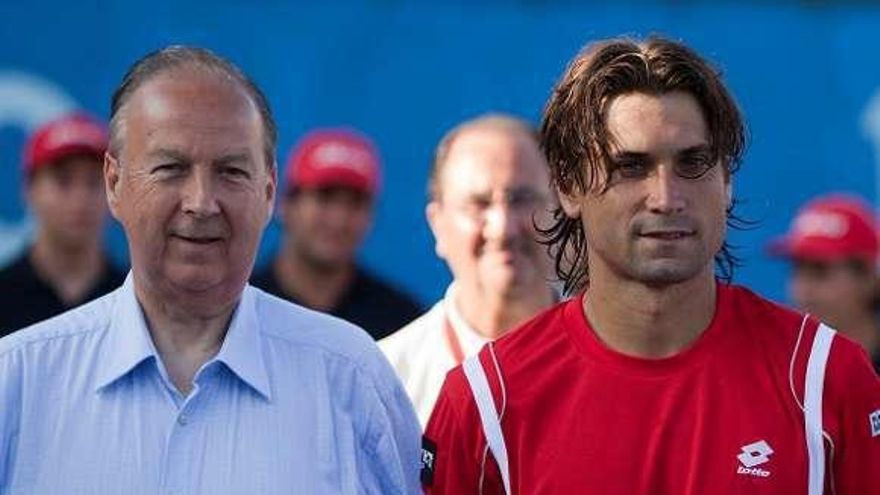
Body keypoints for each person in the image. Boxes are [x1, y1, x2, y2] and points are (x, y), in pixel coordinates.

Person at [422, 37, 880, 494]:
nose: (666, 198)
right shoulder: (486, 402)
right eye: (630, 167)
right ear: (568, 187)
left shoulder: (826, 379)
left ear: (726, 181)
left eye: (693, 163)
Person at [0, 46, 420, 494]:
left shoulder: (351, 378)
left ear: (268, 190)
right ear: (115, 184)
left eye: (231, 171)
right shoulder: (19, 381)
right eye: (171, 168)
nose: (201, 202)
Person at [379, 114, 556, 425]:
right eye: (479, 204)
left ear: (560, 209)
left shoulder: (617, 356)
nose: (503, 229)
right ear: (438, 225)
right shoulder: (388, 381)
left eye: (522, 199)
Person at [251, 128, 422, 340]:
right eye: (325, 198)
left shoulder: (401, 322)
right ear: (285, 204)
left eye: (355, 203)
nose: (339, 219)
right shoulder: (240, 308)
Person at [0, 113, 124, 336]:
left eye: (93, 182)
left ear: (114, 189)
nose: (80, 199)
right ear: (29, 190)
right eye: (63, 181)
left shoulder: (134, 299)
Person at [769, 193, 880, 372]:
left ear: (867, 278)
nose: (804, 290)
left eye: (820, 271)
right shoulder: (778, 369)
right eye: (797, 270)